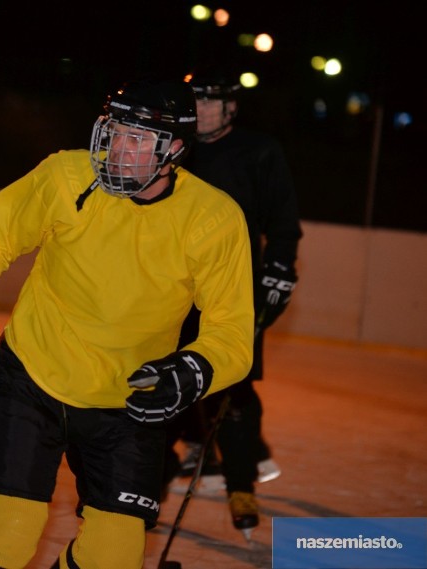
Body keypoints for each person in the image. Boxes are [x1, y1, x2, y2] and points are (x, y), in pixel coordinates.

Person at [0, 78, 255, 569]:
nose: (119, 148)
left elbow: (232, 332)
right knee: (12, 525)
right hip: (33, 374)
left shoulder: (213, 219)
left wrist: (195, 369)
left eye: (137, 139)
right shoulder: (66, 175)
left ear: (175, 148)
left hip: (127, 400)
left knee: (114, 554)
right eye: (115, 131)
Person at [164, 67, 303, 539]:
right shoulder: (172, 148)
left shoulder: (258, 152)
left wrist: (279, 270)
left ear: (230, 108)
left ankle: (241, 484)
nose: (200, 111)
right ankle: (148, 480)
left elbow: (283, 224)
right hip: (171, 290)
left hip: (232, 292)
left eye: (210, 102)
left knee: (234, 388)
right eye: (194, 101)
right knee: (164, 378)